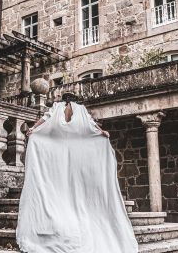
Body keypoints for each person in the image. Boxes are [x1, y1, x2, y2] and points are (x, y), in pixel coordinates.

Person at [15, 93, 139, 253]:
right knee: (73, 177)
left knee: (59, 175)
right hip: (76, 148)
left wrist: (34, 129)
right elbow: (91, 124)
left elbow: (45, 119)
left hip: (58, 147)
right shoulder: (80, 109)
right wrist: (102, 132)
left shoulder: (57, 107)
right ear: (74, 100)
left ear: (63, 99)